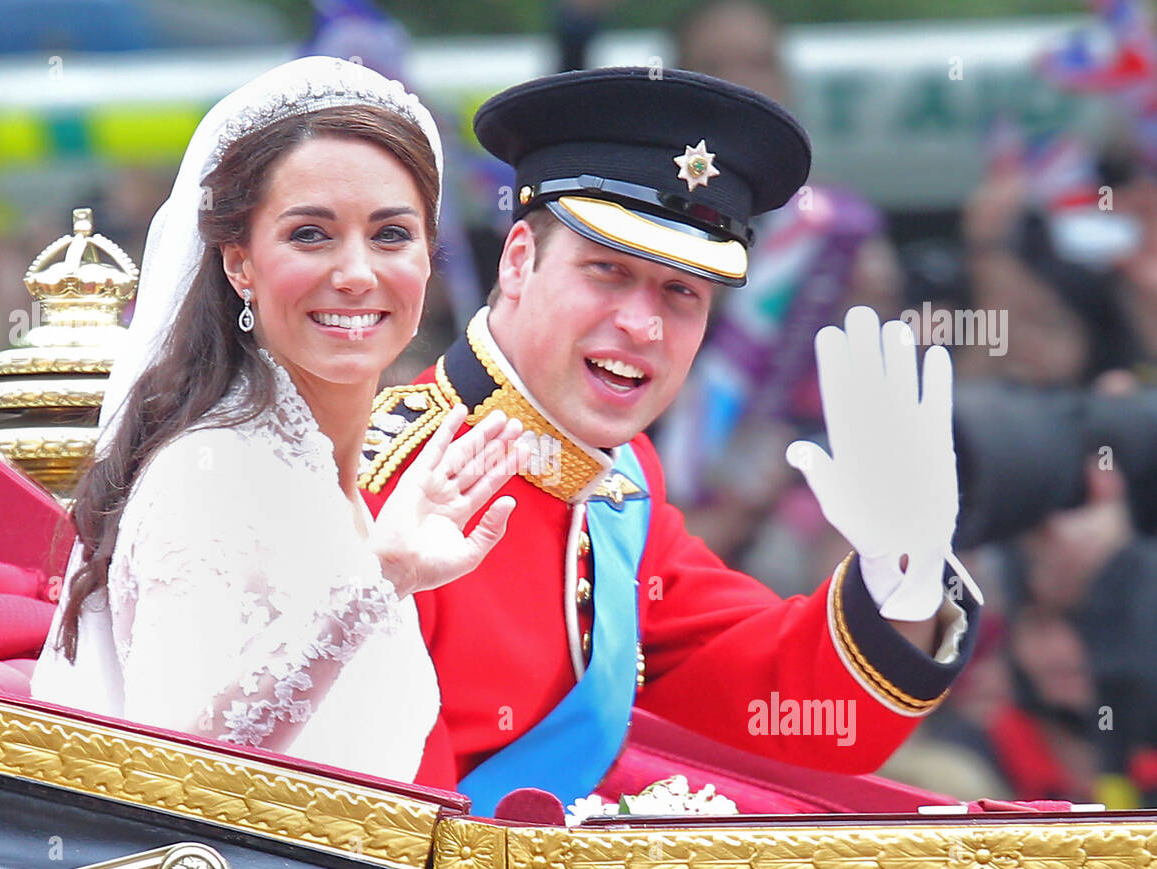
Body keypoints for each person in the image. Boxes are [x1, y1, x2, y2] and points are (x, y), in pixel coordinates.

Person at [361, 67, 984, 815]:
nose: (643, 325)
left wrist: (903, 576)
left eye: (681, 292)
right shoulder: (383, 478)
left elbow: (778, 701)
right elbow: (374, 823)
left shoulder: (622, 482)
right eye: (608, 271)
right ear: (519, 260)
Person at [31, 57, 525, 784]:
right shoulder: (214, 471)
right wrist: (377, 578)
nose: (357, 272)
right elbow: (182, 776)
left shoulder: (326, 473)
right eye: (311, 235)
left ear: (427, 257)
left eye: (391, 235)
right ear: (239, 263)